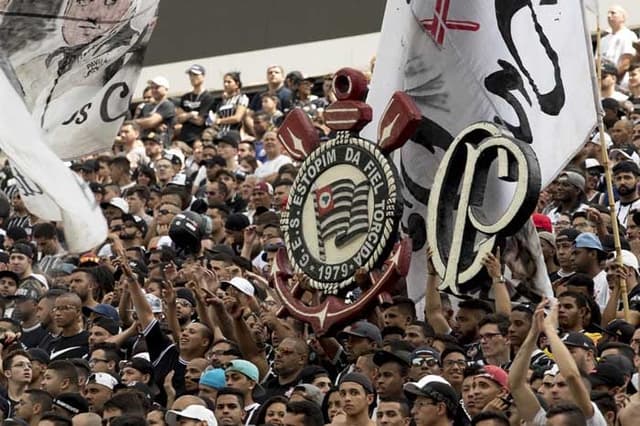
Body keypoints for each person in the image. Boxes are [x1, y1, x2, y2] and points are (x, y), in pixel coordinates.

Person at [176, 64, 215, 145]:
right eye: (190, 75)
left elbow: (200, 121)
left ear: (203, 76)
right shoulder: (185, 97)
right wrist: (191, 114)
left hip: (198, 139)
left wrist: (185, 116)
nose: (192, 77)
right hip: (183, 137)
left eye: (195, 74)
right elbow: (178, 118)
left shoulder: (208, 97)